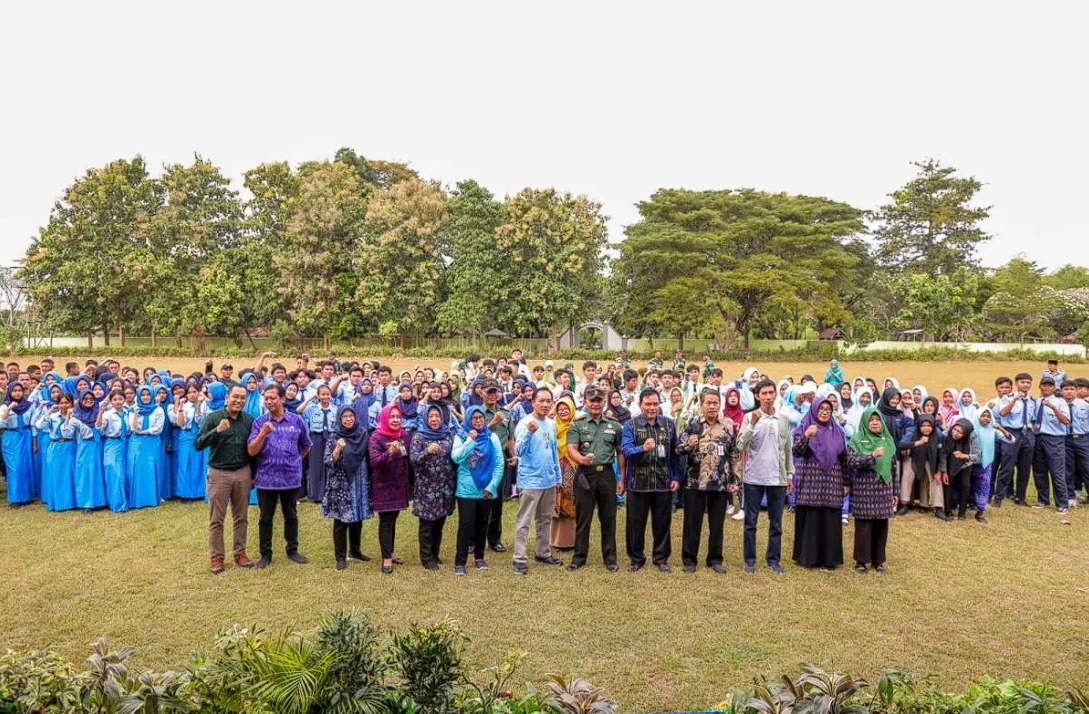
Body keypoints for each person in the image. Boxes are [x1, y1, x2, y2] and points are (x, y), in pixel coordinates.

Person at [791, 397, 868, 571]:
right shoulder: (804, 427)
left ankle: (829, 559)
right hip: (810, 483)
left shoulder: (837, 431)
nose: (825, 412)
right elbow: (796, 451)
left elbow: (844, 459)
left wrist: (847, 482)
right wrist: (806, 436)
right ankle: (808, 557)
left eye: (828, 409)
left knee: (829, 520)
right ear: (814, 410)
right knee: (812, 518)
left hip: (832, 482)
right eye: (821, 409)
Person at [247, 384, 312, 569]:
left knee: (291, 515)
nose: (269, 402)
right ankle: (265, 554)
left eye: (272, 398)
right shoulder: (259, 422)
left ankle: (292, 550)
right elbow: (251, 451)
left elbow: (306, 445)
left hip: (290, 479)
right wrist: (263, 434)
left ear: (282, 399)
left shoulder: (297, 421)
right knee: (265, 518)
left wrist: (294, 461)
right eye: (266, 398)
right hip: (266, 479)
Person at [194, 385, 256, 574]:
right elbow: (198, 444)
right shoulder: (212, 418)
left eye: (242, 398)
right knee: (216, 519)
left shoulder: (249, 420)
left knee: (241, 517)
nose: (239, 401)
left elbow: (252, 449)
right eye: (235, 397)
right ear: (227, 397)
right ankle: (217, 558)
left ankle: (240, 553)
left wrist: (252, 474)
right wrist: (217, 431)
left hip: (242, 472)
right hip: (219, 473)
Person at [736, 379, 794, 575]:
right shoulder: (749, 417)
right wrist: (752, 424)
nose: (768, 397)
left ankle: (773, 560)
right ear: (757, 396)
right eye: (764, 394)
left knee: (776, 522)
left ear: (776, 394)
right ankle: (750, 560)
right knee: (751, 522)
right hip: (753, 477)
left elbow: (787, 449)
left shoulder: (783, 419)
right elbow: (739, 446)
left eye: (771, 392)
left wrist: (789, 474)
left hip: (777, 478)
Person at [677, 388, 737, 574]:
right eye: (708, 403)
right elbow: (678, 448)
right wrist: (689, 444)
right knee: (692, 523)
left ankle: (715, 559)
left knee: (717, 524)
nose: (712, 406)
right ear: (701, 405)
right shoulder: (692, 423)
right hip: (695, 482)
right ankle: (689, 559)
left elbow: (733, 454)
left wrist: (736, 479)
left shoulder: (728, 424)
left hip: (720, 483)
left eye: (715, 403)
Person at [620, 388, 681, 572]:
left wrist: (677, 476)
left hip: (663, 482)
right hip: (638, 484)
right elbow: (626, 451)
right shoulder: (630, 425)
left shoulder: (669, 425)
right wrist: (642, 448)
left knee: (662, 523)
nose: (652, 408)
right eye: (648, 404)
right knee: (635, 524)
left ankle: (661, 558)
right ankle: (636, 559)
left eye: (655, 404)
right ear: (640, 405)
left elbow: (674, 455)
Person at [565, 386, 624, 572]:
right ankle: (579, 557)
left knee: (609, 517)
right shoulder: (577, 424)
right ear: (586, 403)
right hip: (585, 474)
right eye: (592, 401)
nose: (596, 404)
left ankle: (610, 558)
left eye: (599, 400)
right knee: (584, 517)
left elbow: (620, 452)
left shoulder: (614, 425)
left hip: (607, 474)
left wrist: (621, 477)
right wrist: (581, 459)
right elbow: (571, 448)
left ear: (604, 402)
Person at [511, 387, 563, 575]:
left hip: (548, 480)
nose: (544, 404)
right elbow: (519, 452)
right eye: (540, 400)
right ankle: (519, 558)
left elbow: (553, 452)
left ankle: (542, 552)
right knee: (524, 521)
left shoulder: (551, 423)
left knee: (545, 519)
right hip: (530, 481)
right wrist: (529, 433)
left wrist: (557, 477)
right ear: (533, 402)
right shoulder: (525, 423)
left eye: (548, 401)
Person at [451, 405, 504, 575]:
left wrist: (492, 486)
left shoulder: (492, 437)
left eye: (481, 418)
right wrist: (470, 441)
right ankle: (460, 562)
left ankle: (479, 558)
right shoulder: (460, 436)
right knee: (466, 525)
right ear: (467, 420)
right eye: (474, 418)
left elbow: (498, 463)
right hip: (466, 489)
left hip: (486, 489)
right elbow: (457, 457)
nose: (479, 421)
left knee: (482, 524)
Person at [323, 406, 373, 572]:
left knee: (357, 515)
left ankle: (355, 551)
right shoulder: (334, 436)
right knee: (341, 519)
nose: (348, 419)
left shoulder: (363, 433)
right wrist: (337, 449)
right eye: (344, 416)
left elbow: (368, 454)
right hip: (341, 482)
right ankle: (340, 557)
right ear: (339, 419)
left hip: (360, 478)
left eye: (351, 415)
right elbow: (328, 462)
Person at [846, 408, 894, 573]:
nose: (875, 423)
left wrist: (896, 492)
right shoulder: (857, 439)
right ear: (865, 422)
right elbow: (851, 461)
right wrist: (871, 456)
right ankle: (861, 561)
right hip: (864, 490)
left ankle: (878, 560)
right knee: (864, 527)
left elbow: (894, 468)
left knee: (882, 525)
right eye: (871, 420)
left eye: (877, 420)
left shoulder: (887, 440)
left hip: (883, 489)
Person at [409, 404, 456, 570]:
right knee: (427, 523)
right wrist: (427, 451)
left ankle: (435, 554)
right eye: (431, 416)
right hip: (426, 488)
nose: (434, 419)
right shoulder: (419, 437)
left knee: (440, 521)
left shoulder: (448, 435)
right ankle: (426, 557)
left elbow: (455, 457)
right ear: (426, 418)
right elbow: (413, 460)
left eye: (437, 416)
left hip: (445, 486)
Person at [369, 404, 412, 574]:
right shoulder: (376, 437)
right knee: (386, 521)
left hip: (399, 483)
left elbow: (408, 455)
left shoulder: (404, 435)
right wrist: (390, 453)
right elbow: (374, 462)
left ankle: (391, 552)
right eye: (391, 417)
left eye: (397, 417)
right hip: (383, 485)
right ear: (385, 418)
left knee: (393, 519)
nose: (395, 420)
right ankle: (386, 559)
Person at [35, 392, 90, 512]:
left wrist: (69, 416)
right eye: (61, 403)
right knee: (57, 474)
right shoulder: (53, 417)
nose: (64, 405)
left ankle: (72, 502)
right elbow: (38, 425)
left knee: (70, 474)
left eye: (66, 402)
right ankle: (59, 502)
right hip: (56, 446)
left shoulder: (75, 417)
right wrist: (49, 412)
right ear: (57, 404)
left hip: (70, 446)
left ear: (71, 403)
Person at [994, 373, 1036, 506]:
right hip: (1012, 433)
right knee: (1007, 466)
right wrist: (1015, 400)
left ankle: (1020, 497)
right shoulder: (1007, 398)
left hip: (1027, 434)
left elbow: (1033, 419)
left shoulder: (1033, 401)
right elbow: (1003, 413)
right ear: (1017, 384)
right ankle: (999, 497)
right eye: (1023, 382)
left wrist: (1033, 433)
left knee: (1025, 467)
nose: (1026, 385)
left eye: (1028, 382)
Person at [1033, 376, 1071, 512]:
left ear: (1054, 387)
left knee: (1057, 472)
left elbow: (1066, 421)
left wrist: (1054, 408)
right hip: (1039, 437)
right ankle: (1043, 499)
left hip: (1055, 440)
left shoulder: (1060, 402)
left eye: (1050, 385)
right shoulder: (1038, 402)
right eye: (1044, 385)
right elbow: (1034, 419)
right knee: (1039, 471)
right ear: (1040, 387)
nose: (1047, 387)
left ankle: (1062, 504)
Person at [127, 385, 165, 510]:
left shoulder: (158, 410)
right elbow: (133, 428)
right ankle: (138, 499)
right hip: (137, 443)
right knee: (138, 468)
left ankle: (152, 498)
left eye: (148, 394)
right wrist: (136, 415)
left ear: (152, 395)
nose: (145, 397)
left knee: (151, 467)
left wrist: (145, 431)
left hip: (152, 442)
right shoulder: (133, 409)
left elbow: (158, 428)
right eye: (142, 395)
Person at [298, 384, 336, 503]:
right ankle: (315, 495)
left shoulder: (335, 408)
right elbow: (299, 410)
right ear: (318, 396)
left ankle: (328, 494)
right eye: (323, 394)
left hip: (330, 437)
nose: (325, 396)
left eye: (327, 394)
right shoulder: (313, 408)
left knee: (329, 464)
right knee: (315, 465)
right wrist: (310, 399)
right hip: (316, 438)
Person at [0, 383, 36, 507]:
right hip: (11, 437)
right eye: (14, 391)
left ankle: (25, 496)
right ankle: (15, 498)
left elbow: (32, 423)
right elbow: (1, 423)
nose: (17, 393)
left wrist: (34, 441)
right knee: (14, 467)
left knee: (25, 466)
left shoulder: (29, 406)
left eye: (19, 390)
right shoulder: (4, 406)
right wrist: (9, 408)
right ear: (9, 392)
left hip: (26, 435)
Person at [937, 419, 980, 521]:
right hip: (949, 464)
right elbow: (942, 453)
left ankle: (962, 513)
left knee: (965, 486)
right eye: (955, 429)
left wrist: (964, 455)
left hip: (965, 464)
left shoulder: (972, 436)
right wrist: (944, 471)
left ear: (965, 433)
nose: (955, 433)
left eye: (960, 432)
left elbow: (977, 456)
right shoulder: (946, 434)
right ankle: (948, 511)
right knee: (947, 485)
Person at [550, 396, 578, 550]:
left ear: (572, 409)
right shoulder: (552, 426)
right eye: (560, 409)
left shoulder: (576, 426)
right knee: (556, 500)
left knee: (570, 499)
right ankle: (555, 540)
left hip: (573, 467)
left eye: (566, 409)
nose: (563, 412)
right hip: (556, 467)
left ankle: (571, 540)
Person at [71, 389, 106, 514]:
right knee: (85, 473)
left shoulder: (99, 411)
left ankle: (100, 501)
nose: (89, 401)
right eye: (85, 399)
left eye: (91, 399)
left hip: (99, 445)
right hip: (84, 446)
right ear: (80, 400)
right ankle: (87, 503)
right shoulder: (76, 416)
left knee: (98, 471)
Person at [97, 389, 128, 513]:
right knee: (115, 473)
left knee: (124, 473)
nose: (118, 402)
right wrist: (100, 410)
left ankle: (125, 499)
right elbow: (99, 428)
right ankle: (116, 502)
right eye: (115, 399)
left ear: (124, 400)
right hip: (112, 443)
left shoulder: (127, 413)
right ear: (111, 401)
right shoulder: (108, 414)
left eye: (120, 399)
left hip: (125, 444)